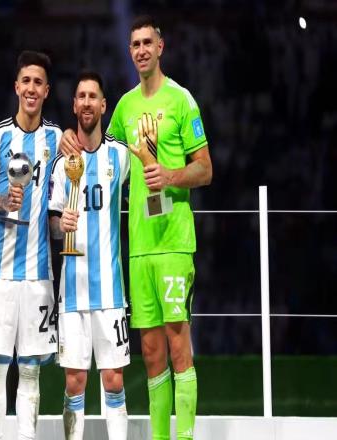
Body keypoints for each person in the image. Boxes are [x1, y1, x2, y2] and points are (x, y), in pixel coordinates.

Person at [61, 16, 213, 440]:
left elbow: (205, 169)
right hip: (139, 248)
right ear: (130, 52)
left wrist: (170, 175)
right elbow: (97, 149)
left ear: (160, 47)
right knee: (150, 353)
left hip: (174, 243)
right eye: (135, 44)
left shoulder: (182, 100)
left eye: (148, 42)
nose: (142, 50)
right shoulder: (125, 107)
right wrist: (67, 137)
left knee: (179, 345)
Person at [0, 50, 62, 440]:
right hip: (1, 273)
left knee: (30, 370)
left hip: (40, 275)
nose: (31, 89)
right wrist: (0, 201)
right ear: (16, 87)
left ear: (47, 91)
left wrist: (65, 227)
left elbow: (65, 193)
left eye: (38, 82)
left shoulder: (58, 139)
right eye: (26, 81)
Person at [48, 71, 130, 440]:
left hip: (111, 290)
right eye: (80, 96)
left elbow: (146, 185)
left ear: (103, 105)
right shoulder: (61, 163)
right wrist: (60, 224)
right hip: (73, 292)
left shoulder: (120, 156)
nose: (86, 103)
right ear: (74, 105)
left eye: (92, 96)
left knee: (113, 379)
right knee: (74, 380)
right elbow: (51, 225)